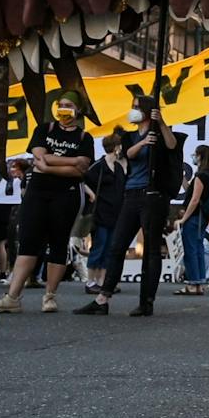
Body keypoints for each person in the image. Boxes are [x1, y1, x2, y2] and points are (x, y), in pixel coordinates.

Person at [74, 96, 182, 317]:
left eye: (136, 107)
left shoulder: (160, 132)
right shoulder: (130, 136)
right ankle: (103, 298)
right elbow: (129, 154)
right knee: (117, 245)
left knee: (151, 250)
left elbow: (172, 146)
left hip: (153, 195)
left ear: (147, 111)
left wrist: (161, 123)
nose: (132, 110)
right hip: (131, 194)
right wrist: (143, 142)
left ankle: (146, 301)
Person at [0, 91, 95, 315]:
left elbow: (81, 168)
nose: (64, 109)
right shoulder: (44, 129)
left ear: (78, 109)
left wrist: (49, 164)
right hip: (37, 192)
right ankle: (12, 297)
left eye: (69, 105)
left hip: (67, 194)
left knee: (58, 242)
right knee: (28, 242)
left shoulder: (84, 138)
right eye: (61, 104)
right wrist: (69, 161)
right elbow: (39, 157)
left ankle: (50, 296)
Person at [83, 133, 127, 294]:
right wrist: (91, 194)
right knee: (99, 247)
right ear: (116, 147)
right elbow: (82, 180)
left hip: (115, 213)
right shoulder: (98, 166)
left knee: (109, 248)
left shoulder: (118, 167)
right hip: (100, 213)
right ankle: (90, 281)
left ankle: (102, 281)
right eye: (119, 146)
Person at [173, 146, 209, 297]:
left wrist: (183, 218)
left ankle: (192, 283)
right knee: (198, 249)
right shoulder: (208, 175)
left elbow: (195, 199)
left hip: (194, 217)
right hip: (202, 218)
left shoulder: (200, 176)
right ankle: (199, 283)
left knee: (191, 250)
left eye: (195, 155)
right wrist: (183, 178)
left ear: (200, 156)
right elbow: (191, 191)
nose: (193, 157)